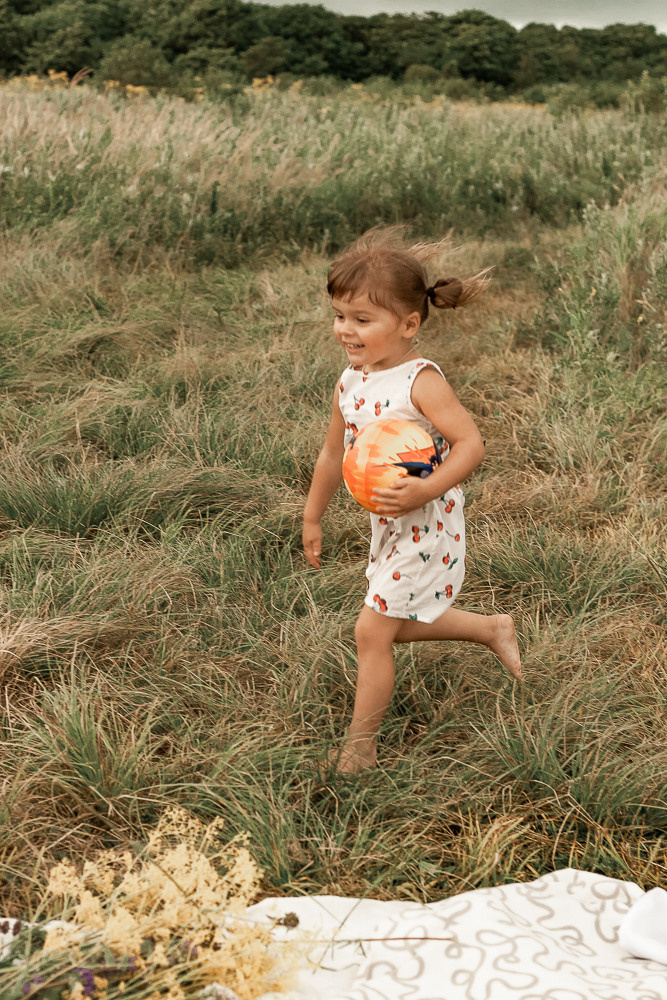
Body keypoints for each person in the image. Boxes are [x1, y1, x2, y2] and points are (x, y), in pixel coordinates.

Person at [302, 231, 522, 774]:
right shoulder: (349, 382)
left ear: (409, 324)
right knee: (395, 622)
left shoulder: (419, 382)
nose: (345, 330)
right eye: (339, 316)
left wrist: (427, 488)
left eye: (361, 319)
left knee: (371, 630)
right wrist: (312, 515)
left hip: (428, 518)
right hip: (389, 521)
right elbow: (333, 455)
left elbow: (472, 444)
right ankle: (492, 628)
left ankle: (361, 749)